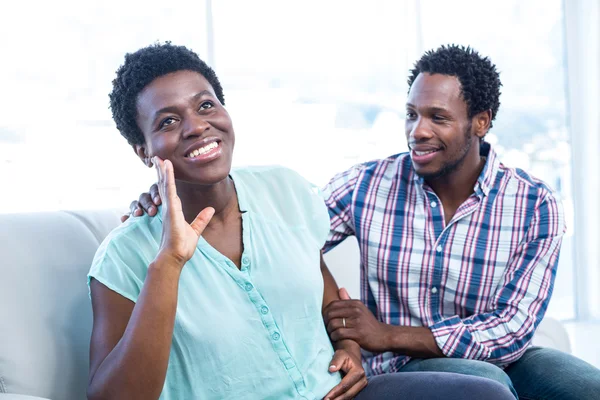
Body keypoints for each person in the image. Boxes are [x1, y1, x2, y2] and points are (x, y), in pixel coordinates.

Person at [130, 45, 600, 400]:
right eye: (412, 114)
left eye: (438, 118)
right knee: (485, 385)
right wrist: (174, 190)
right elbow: (283, 226)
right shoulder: (370, 184)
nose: (418, 131)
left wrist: (384, 333)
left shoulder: (535, 203)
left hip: (507, 357)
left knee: (585, 385)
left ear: (480, 122)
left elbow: (513, 328)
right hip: (405, 367)